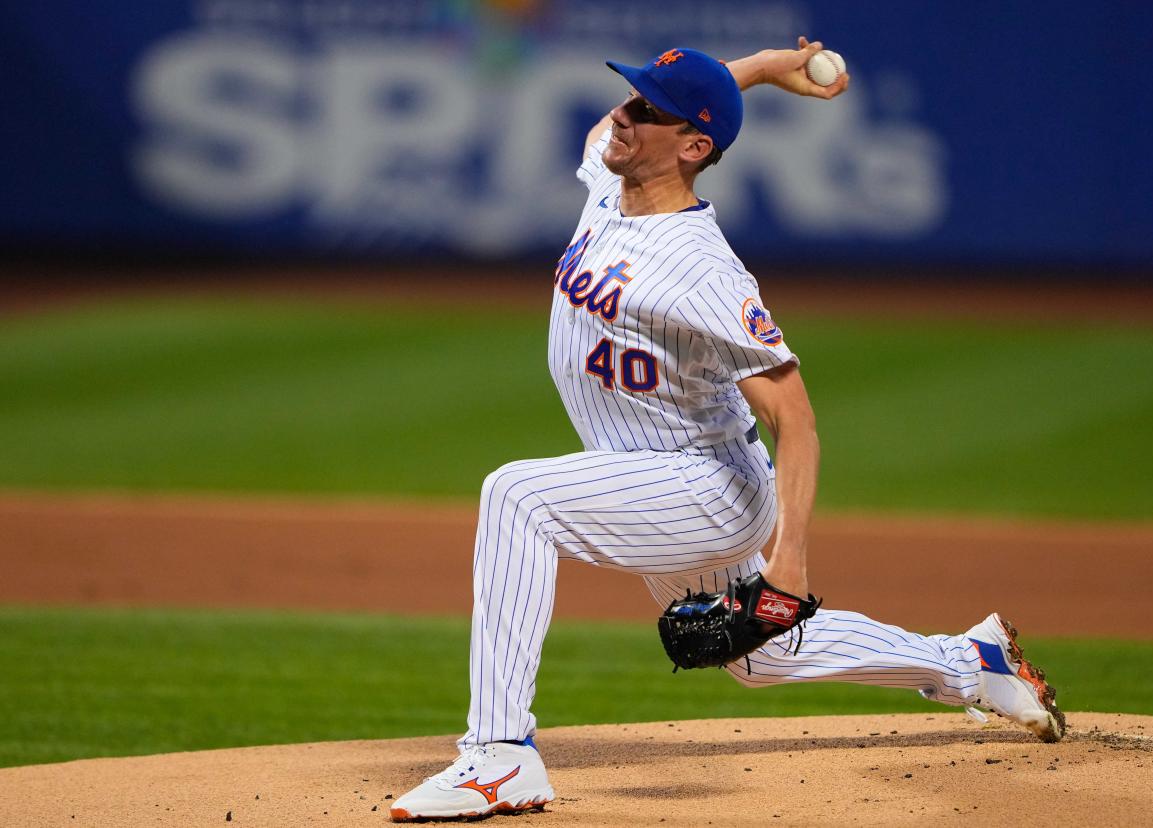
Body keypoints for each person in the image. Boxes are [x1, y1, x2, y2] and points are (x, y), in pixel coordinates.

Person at [391, 38, 1063, 822]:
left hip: (704, 483)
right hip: (642, 472)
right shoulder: (609, 183)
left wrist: (791, 559)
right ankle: (970, 663)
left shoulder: (704, 269)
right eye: (632, 98)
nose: (622, 116)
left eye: (647, 110)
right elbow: (678, 102)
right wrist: (766, 67)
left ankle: (500, 757)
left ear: (692, 146)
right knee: (763, 656)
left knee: (517, 497)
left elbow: (797, 417)